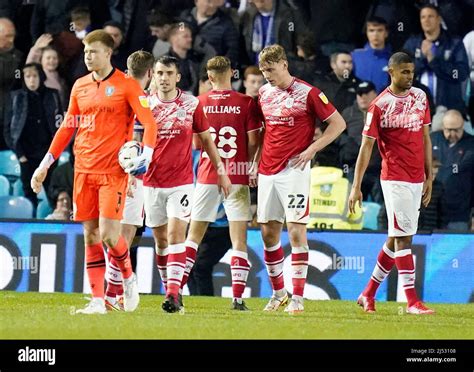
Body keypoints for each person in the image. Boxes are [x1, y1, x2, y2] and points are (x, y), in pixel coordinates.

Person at [30, 30, 158, 314]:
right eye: (86, 51)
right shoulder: (79, 86)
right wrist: (44, 165)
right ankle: (98, 301)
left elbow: (149, 124)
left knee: (111, 235)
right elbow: (67, 128)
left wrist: (145, 156)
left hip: (113, 171)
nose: (88, 56)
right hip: (83, 170)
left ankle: (128, 278)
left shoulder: (127, 86)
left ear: (108, 54)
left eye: (93, 51)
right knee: (90, 236)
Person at [256, 44, 346, 313]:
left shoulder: (309, 93)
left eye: (270, 70)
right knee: (268, 233)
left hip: (294, 169)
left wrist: (311, 149)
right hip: (266, 170)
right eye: (263, 71)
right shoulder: (263, 93)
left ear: (284, 64)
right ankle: (278, 293)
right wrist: (254, 162)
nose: (267, 76)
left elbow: (338, 124)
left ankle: (297, 298)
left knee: (296, 230)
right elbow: (264, 131)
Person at [349, 52, 435, 315]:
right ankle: (412, 302)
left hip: (415, 178)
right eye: (404, 72)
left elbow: (425, 138)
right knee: (403, 239)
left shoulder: (420, 97)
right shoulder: (379, 105)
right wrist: (356, 185)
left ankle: (368, 293)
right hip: (394, 178)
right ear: (391, 72)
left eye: (412, 71)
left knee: (396, 236)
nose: (410, 76)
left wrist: (428, 175)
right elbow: (366, 148)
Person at [143, 55, 231, 313]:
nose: (164, 78)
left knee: (175, 235)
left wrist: (221, 171)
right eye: (159, 73)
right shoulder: (146, 105)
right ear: (153, 75)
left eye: (169, 73)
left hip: (181, 183)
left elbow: (206, 140)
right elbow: (134, 141)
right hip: (151, 182)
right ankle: (170, 289)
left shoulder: (191, 104)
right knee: (160, 241)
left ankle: (173, 293)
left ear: (177, 77)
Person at [180, 56, 261, 310]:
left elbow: (196, 145)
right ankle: (237, 300)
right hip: (237, 174)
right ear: (232, 73)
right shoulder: (246, 103)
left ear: (210, 77)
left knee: (193, 238)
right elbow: (254, 141)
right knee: (238, 240)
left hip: (207, 175)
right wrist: (247, 163)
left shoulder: (199, 103)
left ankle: (175, 292)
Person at [104, 50, 156, 312]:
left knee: (115, 234)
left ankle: (113, 294)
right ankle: (112, 295)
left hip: (106, 169)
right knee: (124, 234)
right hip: (132, 173)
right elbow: (138, 138)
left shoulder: (113, 91)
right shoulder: (141, 99)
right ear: (150, 73)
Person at [4, 63, 62, 208]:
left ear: (41, 77)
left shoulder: (52, 95)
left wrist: (54, 154)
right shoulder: (15, 97)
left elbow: (60, 125)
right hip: (26, 155)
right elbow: (8, 130)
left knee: (53, 192)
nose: (32, 80)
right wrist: (20, 155)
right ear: (23, 78)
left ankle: (54, 223)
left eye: (35, 76)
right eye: (28, 76)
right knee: (29, 194)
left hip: (48, 154)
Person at [402, 4, 469, 116]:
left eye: (430, 16)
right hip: (416, 111)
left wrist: (434, 61)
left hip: (448, 110)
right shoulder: (412, 44)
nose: (426, 20)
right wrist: (423, 58)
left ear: (439, 19)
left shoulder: (454, 43)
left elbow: (460, 74)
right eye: (423, 17)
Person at [431, 110, 474, 231]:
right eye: (448, 130)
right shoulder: (433, 139)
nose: (452, 134)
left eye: (456, 130)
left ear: (463, 126)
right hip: (432, 212)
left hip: (459, 213)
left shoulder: (471, 145)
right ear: (443, 127)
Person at [351, 16, 391, 94]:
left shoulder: (393, 59)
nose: (375, 34)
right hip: (359, 102)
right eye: (371, 30)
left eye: (380, 30)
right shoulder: (354, 56)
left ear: (386, 33)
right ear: (367, 33)